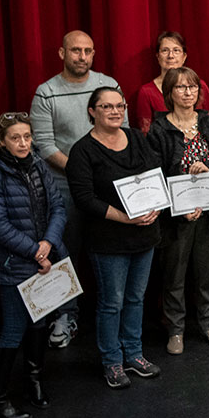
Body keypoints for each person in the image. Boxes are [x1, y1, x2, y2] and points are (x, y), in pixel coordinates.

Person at [30, 30, 124, 348]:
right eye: (75, 51)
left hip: (106, 188)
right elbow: (43, 144)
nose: (82, 57)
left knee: (109, 250)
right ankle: (65, 316)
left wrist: (101, 175)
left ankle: (111, 315)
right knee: (63, 253)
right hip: (63, 189)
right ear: (62, 53)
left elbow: (121, 131)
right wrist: (82, 171)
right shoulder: (46, 93)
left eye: (87, 51)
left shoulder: (107, 85)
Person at [66, 87, 162, 389]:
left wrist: (156, 208)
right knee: (112, 302)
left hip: (145, 234)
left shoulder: (135, 137)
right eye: (106, 106)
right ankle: (112, 361)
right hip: (108, 240)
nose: (115, 111)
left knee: (136, 298)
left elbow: (154, 174)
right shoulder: (82, 151)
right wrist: (125, 218)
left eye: (119, 105)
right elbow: (84, 198)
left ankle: (134, 354)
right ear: (92, 111)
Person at [0, 112, 66, 418]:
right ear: (1, 141)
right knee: (14, 330)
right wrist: (36, 252)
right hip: (15, 264)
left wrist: (48, 244)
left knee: (40, 325)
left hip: (44, 259)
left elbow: (57, 207)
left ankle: (34, 382)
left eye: (27, 137)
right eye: (15, 138)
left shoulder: (39, 164)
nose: (23, 143)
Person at [147, 67, 209, 354]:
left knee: (207, 273)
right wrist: (178, 207)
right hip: (176, 216)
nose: (188, 93)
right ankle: (176, 330)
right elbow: (155, 175)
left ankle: (208, 323)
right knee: (174, 274)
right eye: (181, 88)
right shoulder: (160, 129)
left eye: (193, 87)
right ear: (169, 93)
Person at [133, 31, 209, 134]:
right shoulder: (146, 92)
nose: (171, 56)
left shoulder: (200, 86)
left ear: (184, 56)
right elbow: (146, 133)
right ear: (158, 57)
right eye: (165, 50)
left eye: (176, 50)